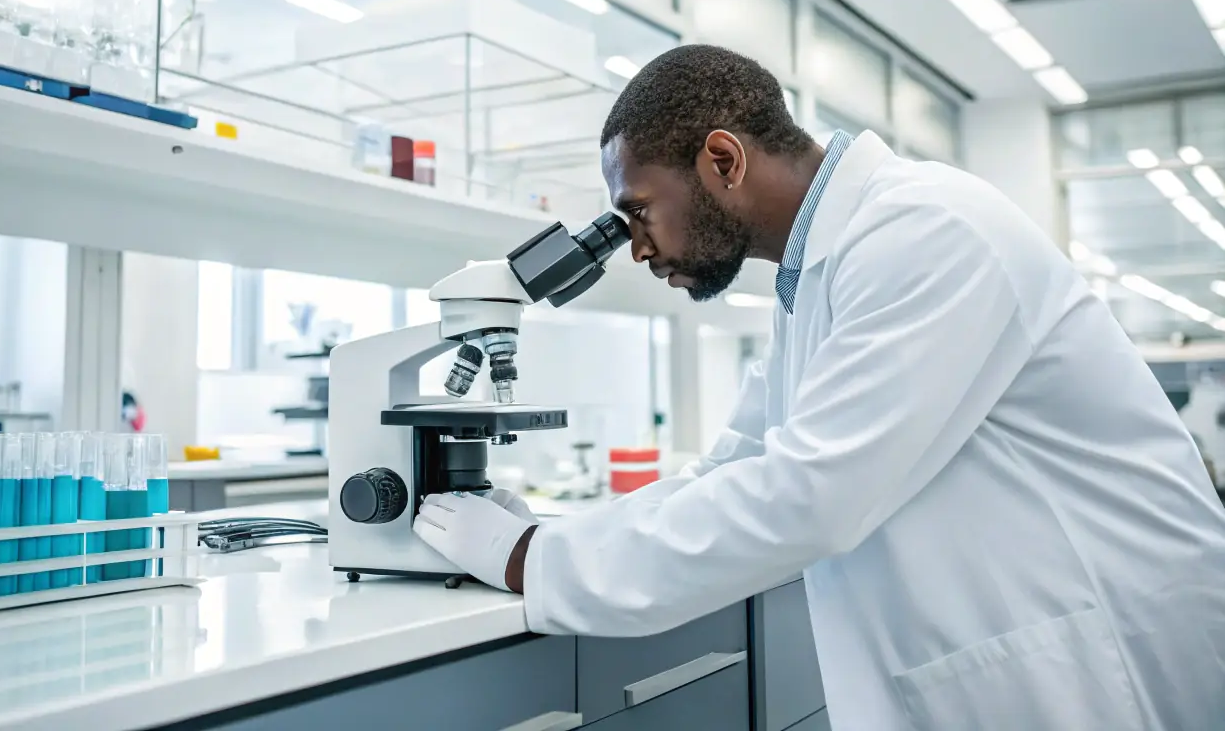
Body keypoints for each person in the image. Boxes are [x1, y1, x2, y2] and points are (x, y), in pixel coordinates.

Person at [414, 44, 1225, 730]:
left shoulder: (926, 231)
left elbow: (808, 495)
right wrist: (566, 537)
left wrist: (530, 561)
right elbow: (734, 471)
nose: (637, 249)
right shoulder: (814, 280)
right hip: (1012, 651)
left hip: (1101, 653)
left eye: (640, 212)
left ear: (722, 160)